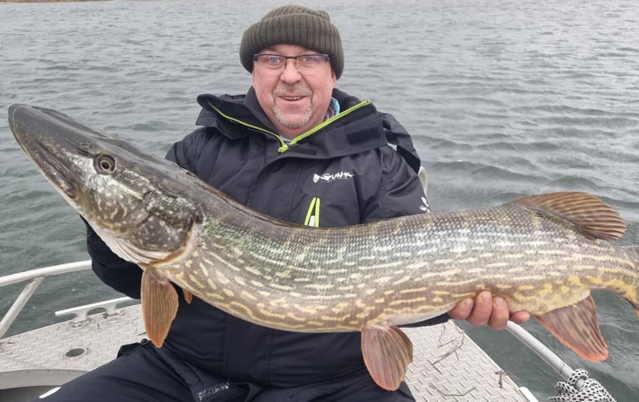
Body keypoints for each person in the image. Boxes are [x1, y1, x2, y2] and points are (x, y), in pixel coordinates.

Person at [42, 5, 529, 402]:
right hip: (183, 369)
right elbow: (131, 278)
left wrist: (458, 305)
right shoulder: (197, 153)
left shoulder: (381, 167)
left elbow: (410, 288)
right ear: (254, 70)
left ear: (332, 72)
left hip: (333, 384)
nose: (290, 75)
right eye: (272, 59)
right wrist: (102, 217)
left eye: (309, 59)